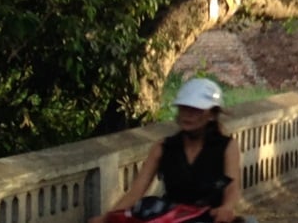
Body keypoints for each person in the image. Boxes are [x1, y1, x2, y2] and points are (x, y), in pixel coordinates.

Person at [93, 78, 246, 223]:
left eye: (196, 110)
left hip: (211, 217)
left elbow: (232, 187)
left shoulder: (227, 146)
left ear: (211, 115)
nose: (188, 115)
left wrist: (227, 207)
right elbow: (137, 190)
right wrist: (107, 218)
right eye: (184, 109)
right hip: (171, 217)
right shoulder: (163, 147)